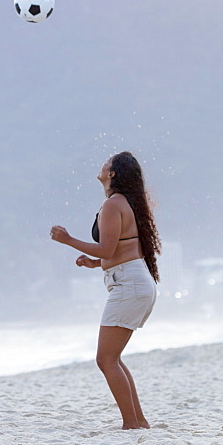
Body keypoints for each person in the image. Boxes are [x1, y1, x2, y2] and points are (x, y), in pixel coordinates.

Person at [50, 151, 160, 429]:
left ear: (112, 173)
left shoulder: (113, 204)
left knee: (106, 359)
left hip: (130, 284)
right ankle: (138, 422)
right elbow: (121, 250)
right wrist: (96, 263)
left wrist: (68, 240)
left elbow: (108, 248)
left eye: (107, 161)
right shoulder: (124, 203)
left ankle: (131, 423)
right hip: (134, 281)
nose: (102, 163)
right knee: (113, 358)